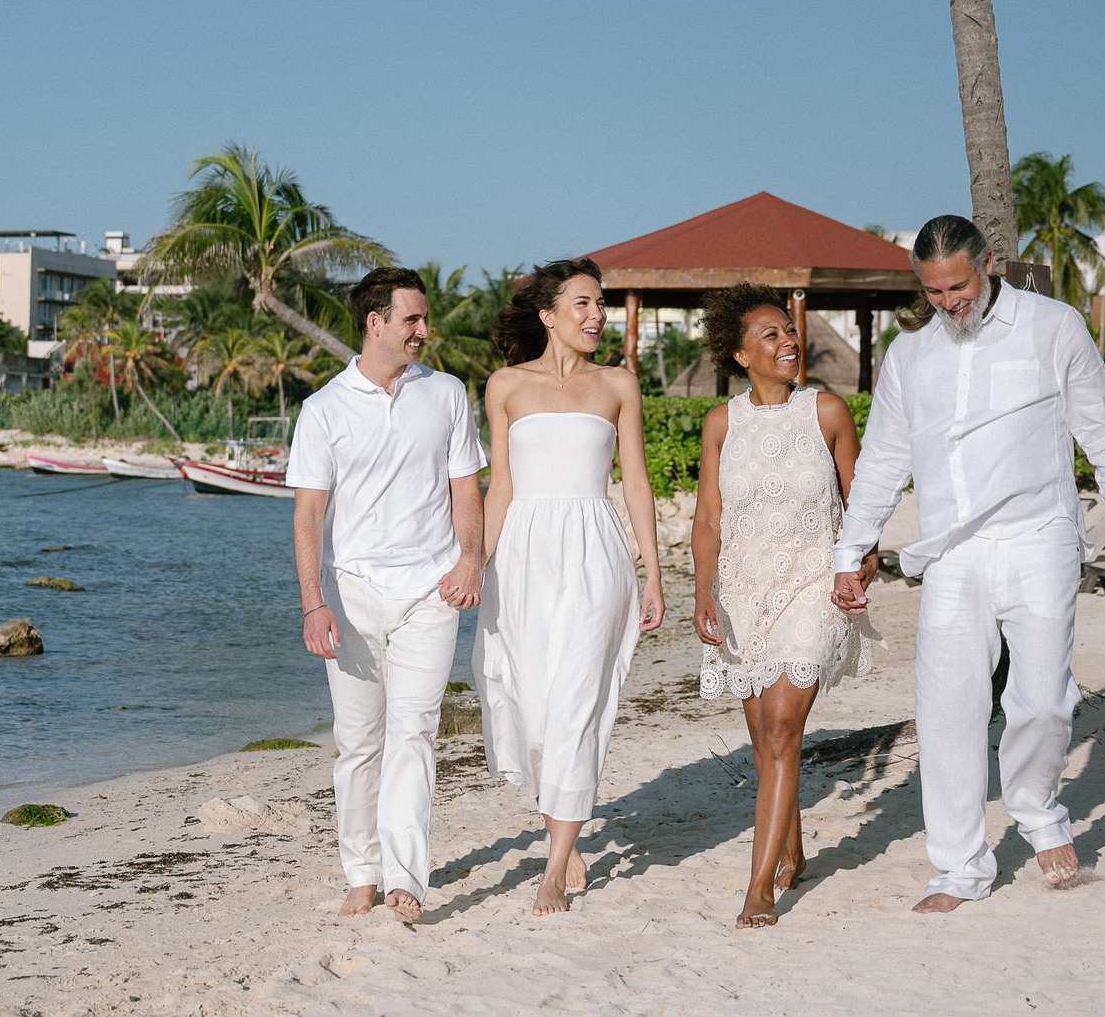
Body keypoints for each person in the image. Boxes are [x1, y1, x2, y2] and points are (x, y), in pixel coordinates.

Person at [830, 215, 1105, 913]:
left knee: (1041, 699)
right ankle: (958, 868)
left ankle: (1037, 810)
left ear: (989, 264)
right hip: (950, 551)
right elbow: (882, 459)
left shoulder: (1052, 325)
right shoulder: (909, 355)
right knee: (947, 708)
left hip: (1039, 537)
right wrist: (850, 551)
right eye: (934, 291)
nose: (950, 303)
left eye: (960, 287)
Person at [289, 266, 487, 924]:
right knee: (358, 741)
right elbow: (309, 514)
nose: (423, 330)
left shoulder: (447, 393)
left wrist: (471, 559)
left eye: (423, 318)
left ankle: (405, 876)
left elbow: (466, 489)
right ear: (375, 323)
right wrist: (313, 603)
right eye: (412, 319)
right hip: (352, 595)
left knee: (415, 732)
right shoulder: (323, 409)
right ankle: (362, 873)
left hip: (432, 591)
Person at [474, 259, 665, 917]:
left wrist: (652, 572)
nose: (596, 314)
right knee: (531, 706)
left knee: (579, 702)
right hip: (522, 555)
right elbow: (499, 486)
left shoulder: (618, 383)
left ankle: (554, 866)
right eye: (582, 302)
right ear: (548, 314)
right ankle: (561, 822)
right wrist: (475, 563)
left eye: (600, 303)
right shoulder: (506, 385)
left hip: (594, 551)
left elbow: (635, 481)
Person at [691, 285, 877, 929]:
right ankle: (793, 851)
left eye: (789, 331)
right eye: (769, 335)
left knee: (778, 731)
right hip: (743, 594)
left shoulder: (827, 411)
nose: (788, 341)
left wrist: (863, 562)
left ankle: (759, 889)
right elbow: (708, 519)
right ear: (740, 355)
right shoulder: (721, 423)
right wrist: (703, 590)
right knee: (766, 741)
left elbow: (862, 506)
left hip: (814, 587)